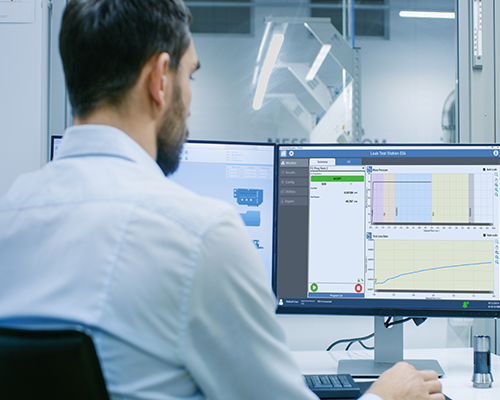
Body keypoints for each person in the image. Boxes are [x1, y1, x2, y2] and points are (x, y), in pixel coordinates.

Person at [0, 0, 444, 399]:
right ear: (159, 79)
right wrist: (386, 397)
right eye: (189, 75)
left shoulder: (9, 217)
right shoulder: (198, 236)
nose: (189, 101)